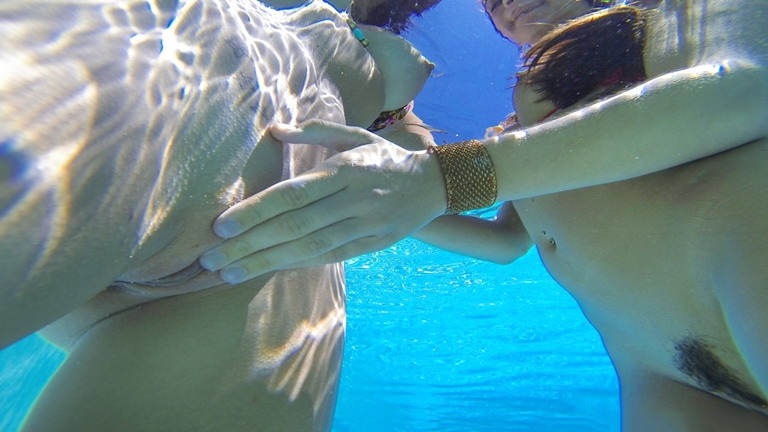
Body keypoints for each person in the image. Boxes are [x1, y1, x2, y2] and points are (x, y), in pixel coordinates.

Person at [200, 0, 768, 429]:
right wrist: (371, 189)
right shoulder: (526, 134)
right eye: (492, 2)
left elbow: (744, 88)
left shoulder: (675, 9)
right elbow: (505, 243)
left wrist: (440, 178)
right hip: (662, 369)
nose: (505, 0)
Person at [0, 0, 434, 430]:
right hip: (204, 116)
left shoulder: (399, 100)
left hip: (268, 234)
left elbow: (427, 196)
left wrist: (446, 182)